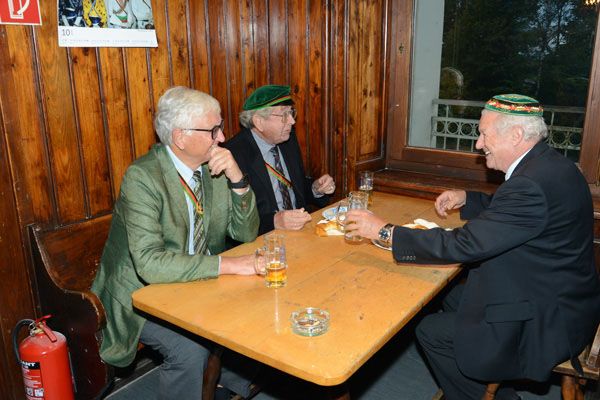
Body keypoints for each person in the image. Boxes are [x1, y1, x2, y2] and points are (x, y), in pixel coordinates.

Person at [345, 94, 600, 400]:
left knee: (429, 331)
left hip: (546, 319)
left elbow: (465, 244)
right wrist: (468, 198)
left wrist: (385, 232)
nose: (479, 144)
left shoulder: (529, 185)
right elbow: (516, 213)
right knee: (450, 295)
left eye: (484, 134)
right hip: (562, 296)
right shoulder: (551, 166)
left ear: (516, 135)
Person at [91, 86, 260, 400]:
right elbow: (150, 264)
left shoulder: (213, 168)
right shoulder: (143, 177)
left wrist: (238, 177)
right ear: (180, 137)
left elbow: (247, 233)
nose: (222, 138)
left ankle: (227, 383)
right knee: (190, 349)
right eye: (213, 130)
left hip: (193, 281)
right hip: (141, 295)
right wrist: (228, 265)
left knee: (257, 302)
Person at [224, 84, 335, 235]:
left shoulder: (287, 140)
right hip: (265, 239)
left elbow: (296, 188)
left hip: (301, 230)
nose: (292, 121)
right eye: (284, 115)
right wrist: (274, 221)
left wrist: (315, 189)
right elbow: (234, 221)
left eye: (291, 113)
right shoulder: (234, 154)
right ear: (259, 122)